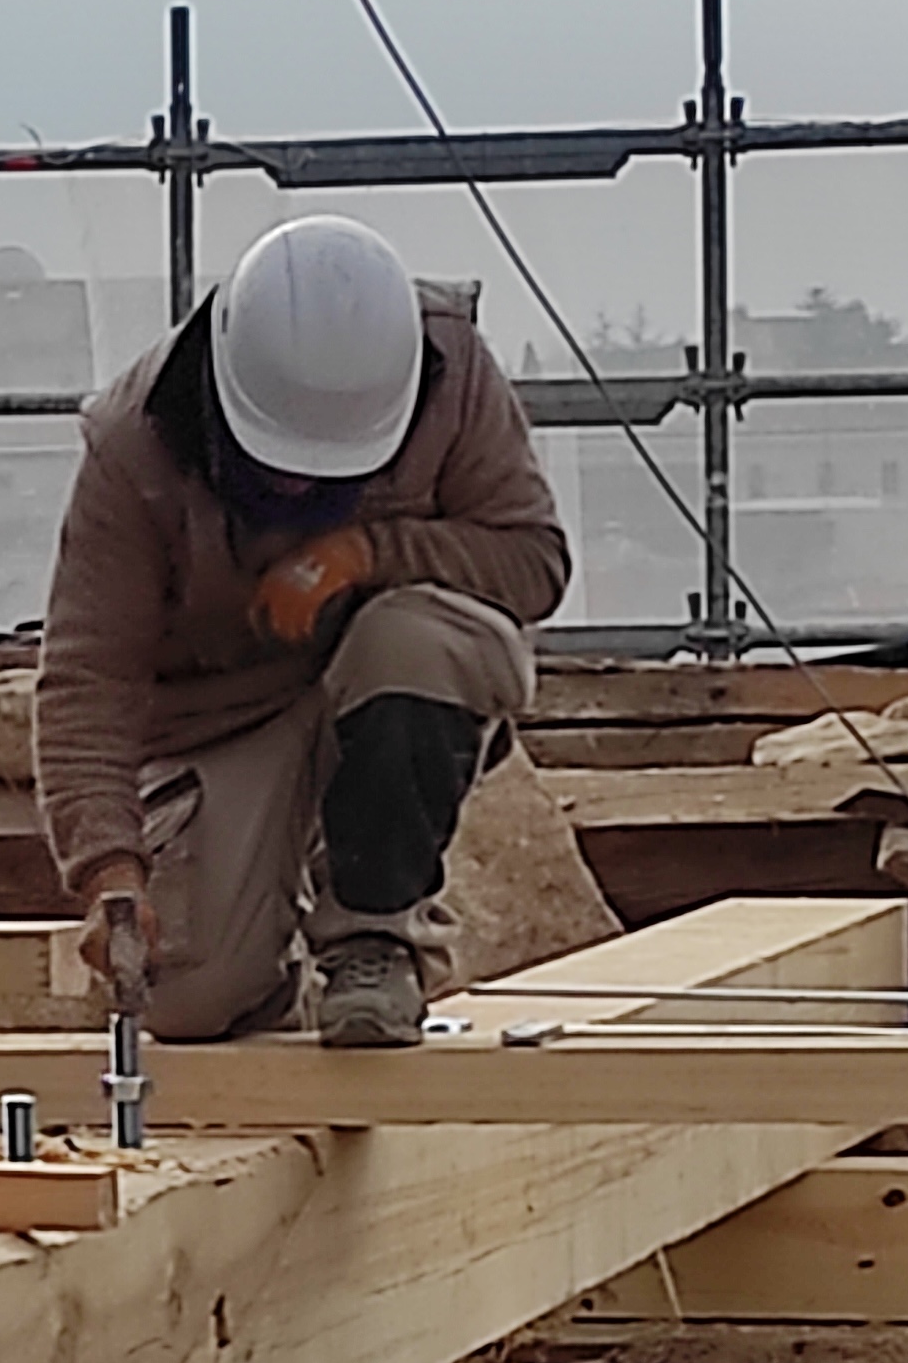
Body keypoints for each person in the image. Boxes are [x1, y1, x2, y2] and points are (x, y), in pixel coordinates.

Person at [34, 212, 568, 1049]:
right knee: (189, 1003)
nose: (297, 482)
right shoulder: (133, 444)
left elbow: (533, 563)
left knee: (416, 639)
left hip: (388, 671)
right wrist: (109, 869)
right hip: (229, 714)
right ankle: (265, 975)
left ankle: (372, 941)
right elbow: (87, 677)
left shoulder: (449, 369)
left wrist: (366, 551)